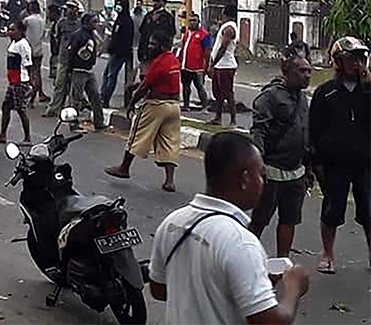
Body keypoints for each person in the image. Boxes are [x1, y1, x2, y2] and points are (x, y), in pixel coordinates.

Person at [148, 131, 310, 324]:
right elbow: (271, 321)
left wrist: (233, 283)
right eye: (261, 175)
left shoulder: (173, 223)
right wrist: (293, 288)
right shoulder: (241, 243)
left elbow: (158, 289)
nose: (264, 183)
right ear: (245, 179)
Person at [308, 36, 370, 274]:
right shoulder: (326, 93)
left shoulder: (368, 91)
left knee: (369, 210)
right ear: (338, 62)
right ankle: (327, 253)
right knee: (332, 210)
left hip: (365, 162)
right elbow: (315, 129)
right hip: (335, 163)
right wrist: (316, 162)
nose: (356, 63)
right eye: (351, 59)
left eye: (360, 59)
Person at [248, 53, 311, 258]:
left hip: (296, 172)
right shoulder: (270, 97)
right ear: (287, 72)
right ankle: (246, 257)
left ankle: (282, 263)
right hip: (272, 170)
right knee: (260, 220)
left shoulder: (303, 98)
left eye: (309, 71)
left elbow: (306, 132)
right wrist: (259, 165)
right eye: (302, 71)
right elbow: (259, 131)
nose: (307, 75)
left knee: (289, 220)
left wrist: (309, 167)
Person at [105, 31, 181, 191]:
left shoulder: (159, 62)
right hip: (174, 106)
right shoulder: (173, 60)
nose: (149, 46)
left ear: (162, 46)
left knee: (137, 134)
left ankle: (124, 168)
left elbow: (145, 87)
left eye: (153, 44)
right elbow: (153, 80)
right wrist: (136, 86)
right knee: (169, 141)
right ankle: (169, 181)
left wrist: (131, 103)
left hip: (156, 105)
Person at [68, 12, 106, 130]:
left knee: (95, 96)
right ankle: (73, 123)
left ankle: (99, 122)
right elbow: (71, 52)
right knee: (76, 99)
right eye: (94, 22)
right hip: (79, 70)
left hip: (89, 70)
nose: (96, 24)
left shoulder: (92, 35)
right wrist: (71, 68)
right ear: (86, 23)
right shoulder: (78, 35)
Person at [0, 20, 32, 144]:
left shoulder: (23, 45)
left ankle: (27, 137)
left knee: (21, 109)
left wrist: (30, 84)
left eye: (13, 30)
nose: (10, 32)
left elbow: (28, 65)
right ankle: (2, 134)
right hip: (13, 81)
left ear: (21, 31)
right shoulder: (14, 43)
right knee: (6, 107)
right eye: (10, 29)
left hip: (20, 81)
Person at [44, 0, 80, 117]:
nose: (69, 10)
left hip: (75, 60)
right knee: (59, 85)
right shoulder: (61, 23)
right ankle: (54, 109)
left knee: (74, 86)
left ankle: (72, 109)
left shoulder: (79, 24)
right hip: (63, 58)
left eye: (72, 8)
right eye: (68, 8)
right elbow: (57, 38)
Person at [100, 0, 134, 108]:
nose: (117, 7)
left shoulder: (126, 21)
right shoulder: (119, 19)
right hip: (114, 52)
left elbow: (125, 39)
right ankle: (103, 97)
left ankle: (105, 98)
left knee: (111, 76)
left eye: (119, 5)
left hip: (119, 53)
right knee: (106, 75)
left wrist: (118, 51)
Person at [208, 5, 239, 126]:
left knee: (228, 93)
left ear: (225, 14)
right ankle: (218, 117)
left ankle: (233, 121)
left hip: (225, 65)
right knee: (218, 94)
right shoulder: (226, 27)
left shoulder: (229, 28)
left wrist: (213, 64)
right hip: (220, 65)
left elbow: (223, 48)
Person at [178, 12, 212, 110]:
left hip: (198, 67)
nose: (192, 23)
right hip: (185, 65)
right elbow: (183, 48)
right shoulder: (187, 34)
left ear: (198, 22)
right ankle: (186, 105)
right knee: (186, 85)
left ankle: (205, 105)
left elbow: (207, 51)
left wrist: (206, 66)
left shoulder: (204, 35)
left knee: (199, 86)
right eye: (190, 21)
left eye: (194, 21)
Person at [137, 0, 175, 68]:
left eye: (158, 1)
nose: (155, 3)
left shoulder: (168, 17)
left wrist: (165, 50)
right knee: (145, 73)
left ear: (163, 3)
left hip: (159, 54)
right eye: (154, 1)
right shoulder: (148, 15)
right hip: (145, 53)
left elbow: (171, 35)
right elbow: (142, 32)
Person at [22, 0, 49, 105]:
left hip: (28, 50)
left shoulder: (27, 20)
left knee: (29, 74)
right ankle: (39, 93)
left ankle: (30, 94)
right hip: (39, 50)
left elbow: (21, 31)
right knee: (37, 73)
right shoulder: (42, 20)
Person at [45, 4, 62, 80]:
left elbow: (58, 40)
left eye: (49, 13)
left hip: (58, 54)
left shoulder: (59, 24)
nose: (48, 16)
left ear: (54, 13)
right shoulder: (55, 24)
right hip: (55, 53)